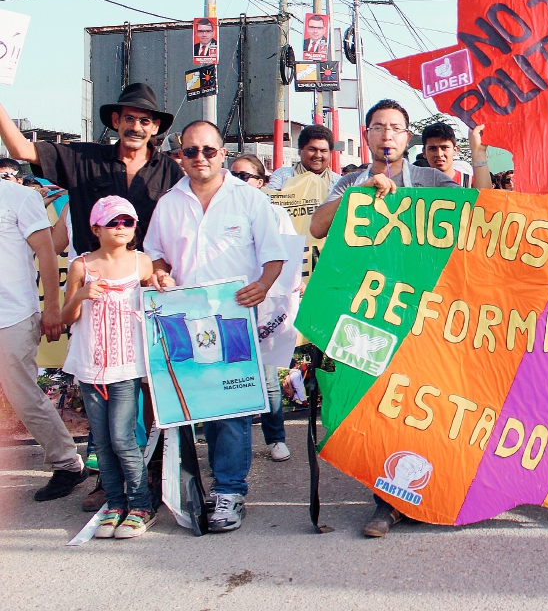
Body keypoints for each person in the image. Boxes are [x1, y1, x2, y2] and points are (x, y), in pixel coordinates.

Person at [308, 99, 457, 538]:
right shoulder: (349, 181)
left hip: (419, 312)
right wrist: (359, 195)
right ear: (367, 135)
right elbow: (318, 227)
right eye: (379, 127)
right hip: (365, 314)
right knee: (373, 403)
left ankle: (414, 496)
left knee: (418, 403)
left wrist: (481, 154)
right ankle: (388, 497)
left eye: (395, 128)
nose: (387, 135)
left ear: (407, 138)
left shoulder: (429, 178)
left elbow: (478, 212)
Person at [144, 121, 288, 532]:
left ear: (222, 153)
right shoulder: (169, 203)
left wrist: (262, 286)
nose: (200, 157)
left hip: (234, 322)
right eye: (191, 151)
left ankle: (229, 492)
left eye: (208, 150)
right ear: (180, 156)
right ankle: (186, 490)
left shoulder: (248, 200)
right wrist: (159, 274)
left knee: (231, 409)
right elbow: (155, 254)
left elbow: (274, 255)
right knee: (187, 408)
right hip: (182, 321)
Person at [61, 196, 162, 538]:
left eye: (127, 222)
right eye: (113, 222)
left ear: (135, 229)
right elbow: (66, 317)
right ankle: (115, 503)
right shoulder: (81, 266)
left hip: (126, 366)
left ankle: (141, 504)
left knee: (122, 437)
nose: (121, 228)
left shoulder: (142, 263)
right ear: (95, 228)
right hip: (90, 365)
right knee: (102, 441)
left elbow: (158, 303)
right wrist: (80, 296)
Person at [0, 83, 182, 255]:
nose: (136, 127)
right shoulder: (83, 159)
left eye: (144, 121)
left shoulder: (170, 171)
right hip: (93, 281)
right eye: (129, 118)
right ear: (116, 120)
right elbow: (20, 149)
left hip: (149, 281)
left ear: (155, 126)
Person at [0, 169, 80, 501]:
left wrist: (51, 308)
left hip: (13, 314)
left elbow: (47, 253)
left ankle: (68, 465)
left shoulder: (19, 197)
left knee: (22, 395)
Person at [230, 154, 297, 463]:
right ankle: (235, 446)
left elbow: (289, 260)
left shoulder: (277, 214)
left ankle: (276, 438)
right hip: (229, 304)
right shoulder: (221, 212)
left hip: (267, 303)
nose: (238, 182)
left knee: (268, 378)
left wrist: (282, 302)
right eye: (233, 175)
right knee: (232, 379)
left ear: (261, 182)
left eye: (245, 176)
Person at [420, 121, 491, 188]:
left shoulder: (470, 183)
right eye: (432, 149)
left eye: (444, 148)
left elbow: (485, 198)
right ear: (424, 153)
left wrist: (479, 151)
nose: (439, 154)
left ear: (455, 150)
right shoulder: (416, 184)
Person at [266, 124, 334, 190]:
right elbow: (270, 198)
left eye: (323, 151)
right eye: (312, 150)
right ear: (300, 151)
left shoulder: (338, 183)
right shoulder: (281, 176)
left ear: (330, 153)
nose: (318, 155)